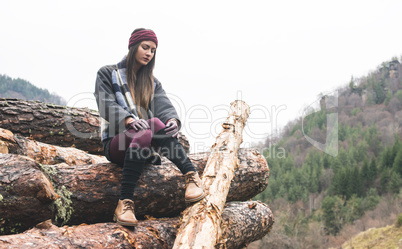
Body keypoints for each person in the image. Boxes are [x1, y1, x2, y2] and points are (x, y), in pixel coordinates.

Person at [94, 28, 204, 226]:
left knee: (153, 124)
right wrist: (128, 120)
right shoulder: (107, 73)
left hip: (142, 144)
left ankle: (191, 176)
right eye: (145, 47)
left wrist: (172, 121)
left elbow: (163, 105)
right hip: (116, 143)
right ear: (133, 46)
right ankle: (125, 202)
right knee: (145, 129)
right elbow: (105, 103)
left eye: (153, 50)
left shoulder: (152, 83)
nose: (149, 53)